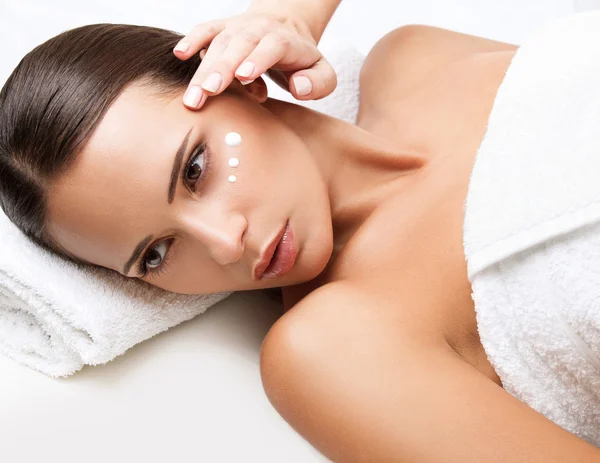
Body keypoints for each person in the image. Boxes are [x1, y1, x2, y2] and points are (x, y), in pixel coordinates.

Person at [0, 0, 599, 461]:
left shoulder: (417, 58)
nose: (224, 242)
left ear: (236, 79)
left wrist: (291, 14)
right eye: (155, 255)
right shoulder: (331, 347)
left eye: (195, 169)